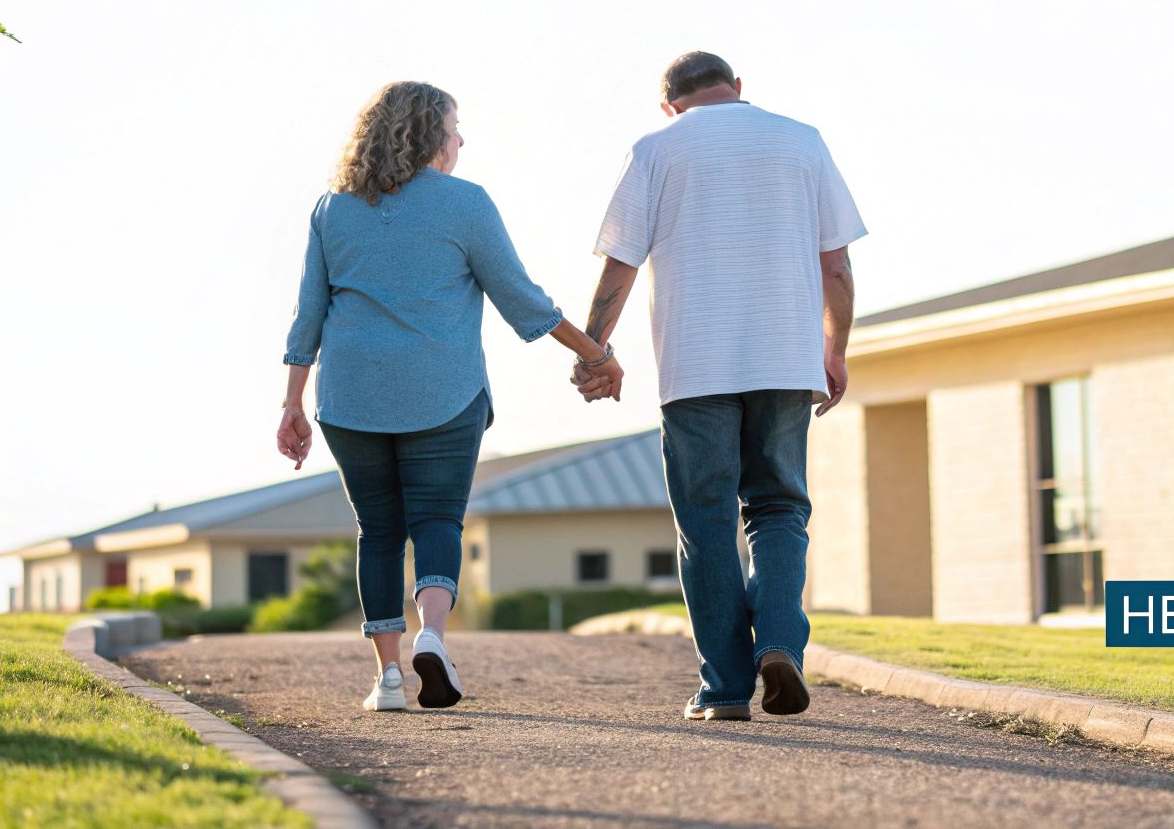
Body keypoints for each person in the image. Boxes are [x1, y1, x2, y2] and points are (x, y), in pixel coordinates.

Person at [277, 81, 623, 713]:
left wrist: (291, 402)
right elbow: (520, 297)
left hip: (350, 397)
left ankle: (386, 679)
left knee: (377, 531)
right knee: (437, 520)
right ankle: (431, 635)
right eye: (455, 127)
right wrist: (593, 351)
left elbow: (308, 315)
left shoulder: (333, 207)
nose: (461, 139)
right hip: (444, 390)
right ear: (430, 133)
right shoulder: (465, 203)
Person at [575, 52, 863, 720]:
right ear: (738, 90)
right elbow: (838, 267)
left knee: (706, 528)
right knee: (779, 511)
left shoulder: (654, 149)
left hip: (694, 368)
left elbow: (621, 265)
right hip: (787, 362)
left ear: (669, 105)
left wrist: (596, 351)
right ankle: (781, 643)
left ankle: (726, 690)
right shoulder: (802, 140)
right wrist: (835, 349)